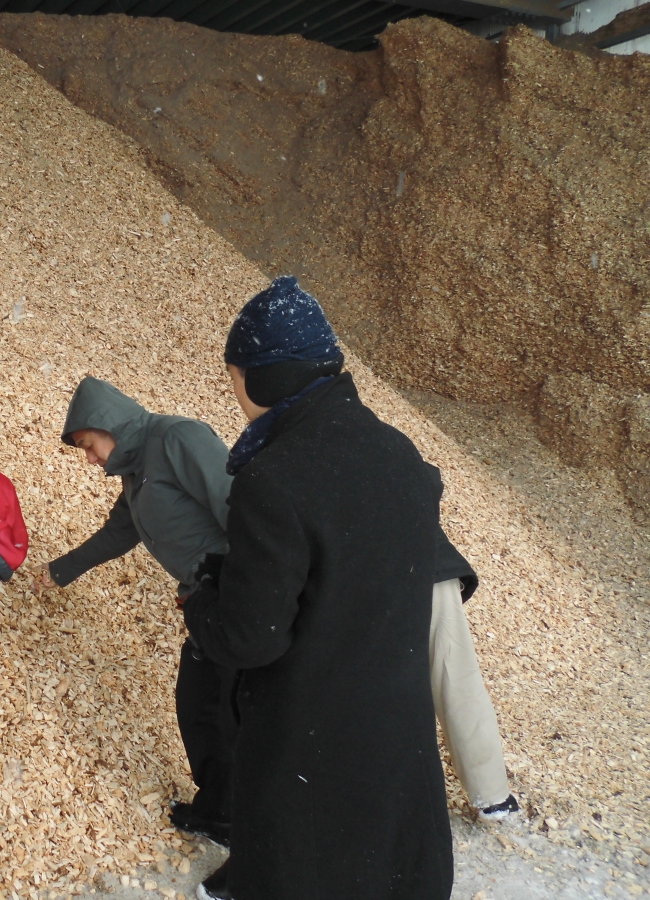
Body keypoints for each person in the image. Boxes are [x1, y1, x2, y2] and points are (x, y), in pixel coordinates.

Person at [184, 276, 454, 900]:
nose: (235, 396)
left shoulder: (273, 479)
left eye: (235, 378)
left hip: (310, 753)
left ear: (268, 377)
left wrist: (201, 601)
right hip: (398, 744)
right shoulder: (402, 457)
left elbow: (252, 637)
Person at [33, 376, 236, 843]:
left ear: (108, 425)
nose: (88, 458)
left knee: (228, 708)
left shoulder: (177, 438)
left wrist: (254, 584)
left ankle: (243, 828)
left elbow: (237, 506)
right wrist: (60, 570)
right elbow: (119, 533)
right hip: (204, 598)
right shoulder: (133, 471)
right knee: (199, 703)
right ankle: (218, 809)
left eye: (87, 445)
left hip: (236, 591)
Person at [432, 536, 520, 819]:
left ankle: (490, 791)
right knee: (454, 670)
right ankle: (490, 792)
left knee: (453, 668)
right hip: (424, 560)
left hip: (416, 564)